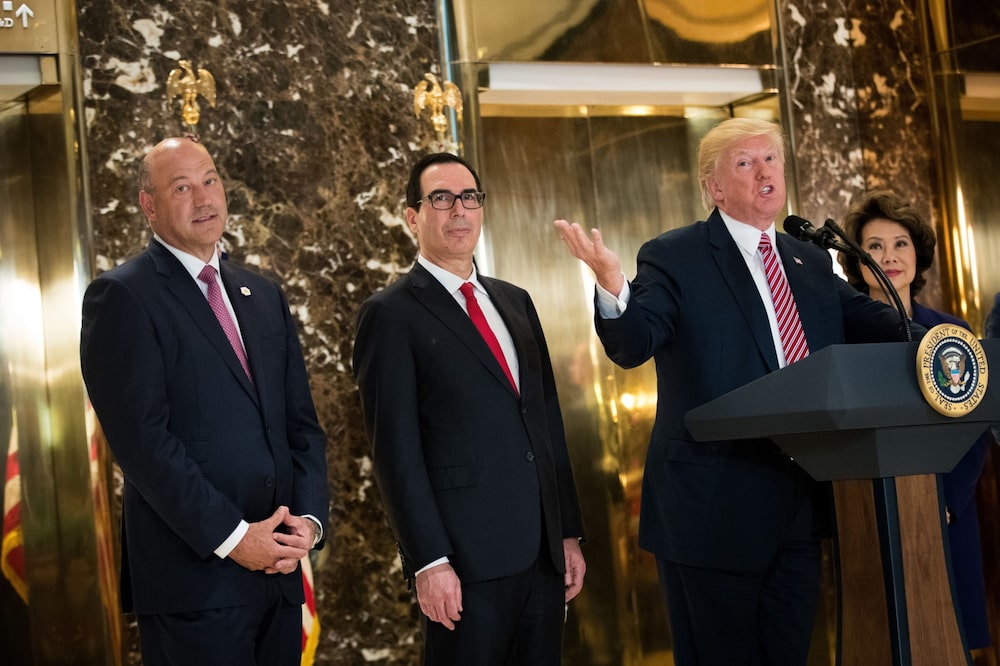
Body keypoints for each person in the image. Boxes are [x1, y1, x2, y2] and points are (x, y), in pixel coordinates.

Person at [554, 117, 911, 666]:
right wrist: (612, 287)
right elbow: (634, 341)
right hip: (711, 512)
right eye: (745, 163)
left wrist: (953, 343)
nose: (764, 172)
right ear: (715, 187)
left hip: (799, 505)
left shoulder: (811, 259)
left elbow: (877, 323)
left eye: (771, 159)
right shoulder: (676, 255)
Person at [80, 136, 329, 666]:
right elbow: (144, 443)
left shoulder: (263, 294)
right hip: (195, 582)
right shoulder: (123, 296)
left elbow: (300, 426)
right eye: (182, 187)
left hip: (281, 575)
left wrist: (306, 522)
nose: (204, 198)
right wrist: (236, 538)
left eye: (210, 180)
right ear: (149, 206)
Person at [353, 152, 586, 665]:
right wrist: (429, 561)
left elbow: (546, 424)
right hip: (463, 566)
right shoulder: (389, 314)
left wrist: (566, 531)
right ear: (412, 216)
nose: (458, 210)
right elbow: (395, 453)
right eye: (440, 198)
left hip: (542, 557)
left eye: (469, 198)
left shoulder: (516, 301)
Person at [839, 189, 992, 650]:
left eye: (900, 243)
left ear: (917, 255)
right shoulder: (840, 340)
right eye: (875, 247)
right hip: (868, 515)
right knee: (881, 638)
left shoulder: (951, 332)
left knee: (949, 639)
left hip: (946, 511)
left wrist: (945, 500)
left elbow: (976, 425)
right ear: (856, 260)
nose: (889, 256)